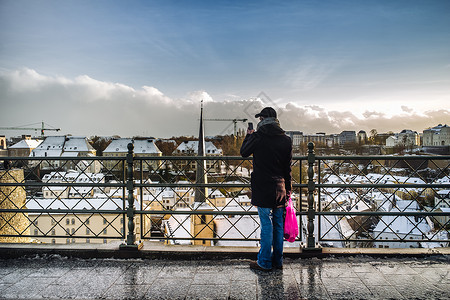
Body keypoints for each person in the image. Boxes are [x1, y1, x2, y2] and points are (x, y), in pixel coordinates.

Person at [240, 107, 292, 271]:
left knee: (266, 225)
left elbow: (243, 153)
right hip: (280, 187)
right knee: (278, 225)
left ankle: (264, 262)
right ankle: (278, 261)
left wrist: (248, 136)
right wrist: (288, 189)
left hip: (263, 187)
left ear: (264, 119)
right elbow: (287, 168)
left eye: (260, 119)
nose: (259, 121)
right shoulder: (286, 139)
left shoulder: (258, 136)